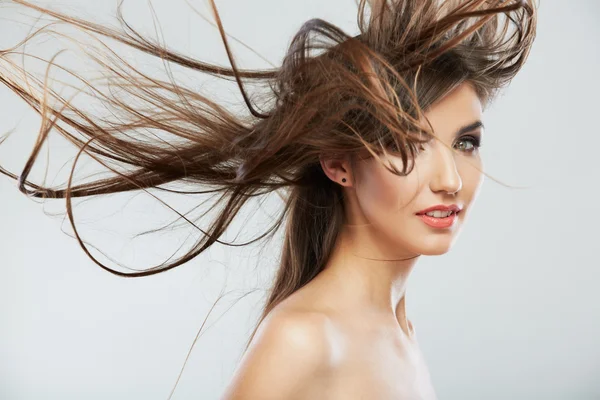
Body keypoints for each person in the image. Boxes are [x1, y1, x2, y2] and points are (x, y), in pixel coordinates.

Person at [0, 0, 537, 398]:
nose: (450, 178)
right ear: (338, 164)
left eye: (466, 142)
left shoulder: (395, 327)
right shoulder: (304, 338)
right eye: (406, 143)